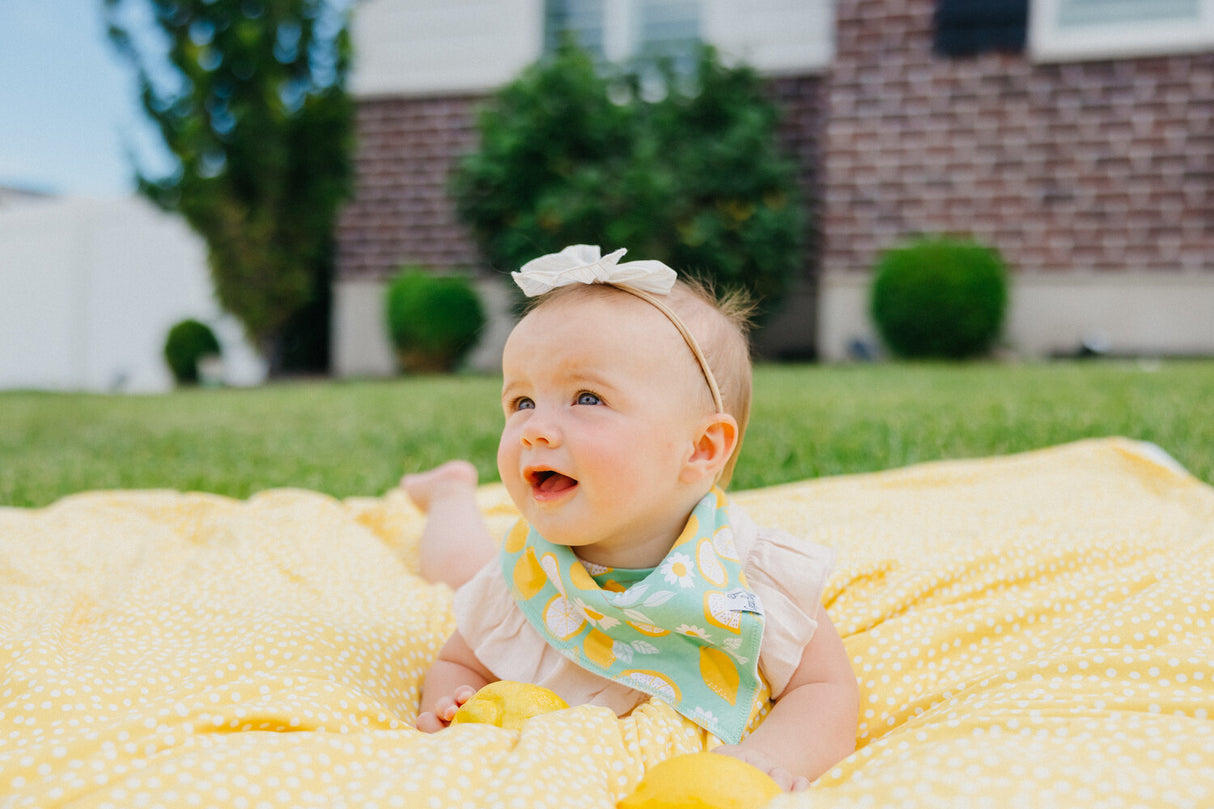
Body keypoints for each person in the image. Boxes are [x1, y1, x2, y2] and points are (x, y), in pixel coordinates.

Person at [402, 245, 858, 791]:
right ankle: (450, 495)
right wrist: (454, 707)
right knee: (460, 569)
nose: (534, 430)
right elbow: (461, 664)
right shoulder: (526, 576)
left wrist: (765, 758)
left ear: (700, 449)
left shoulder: (748, 577)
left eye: (587, 398)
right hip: (518, 581)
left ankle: (451, 491)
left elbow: (824, 690)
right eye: (522, 402)